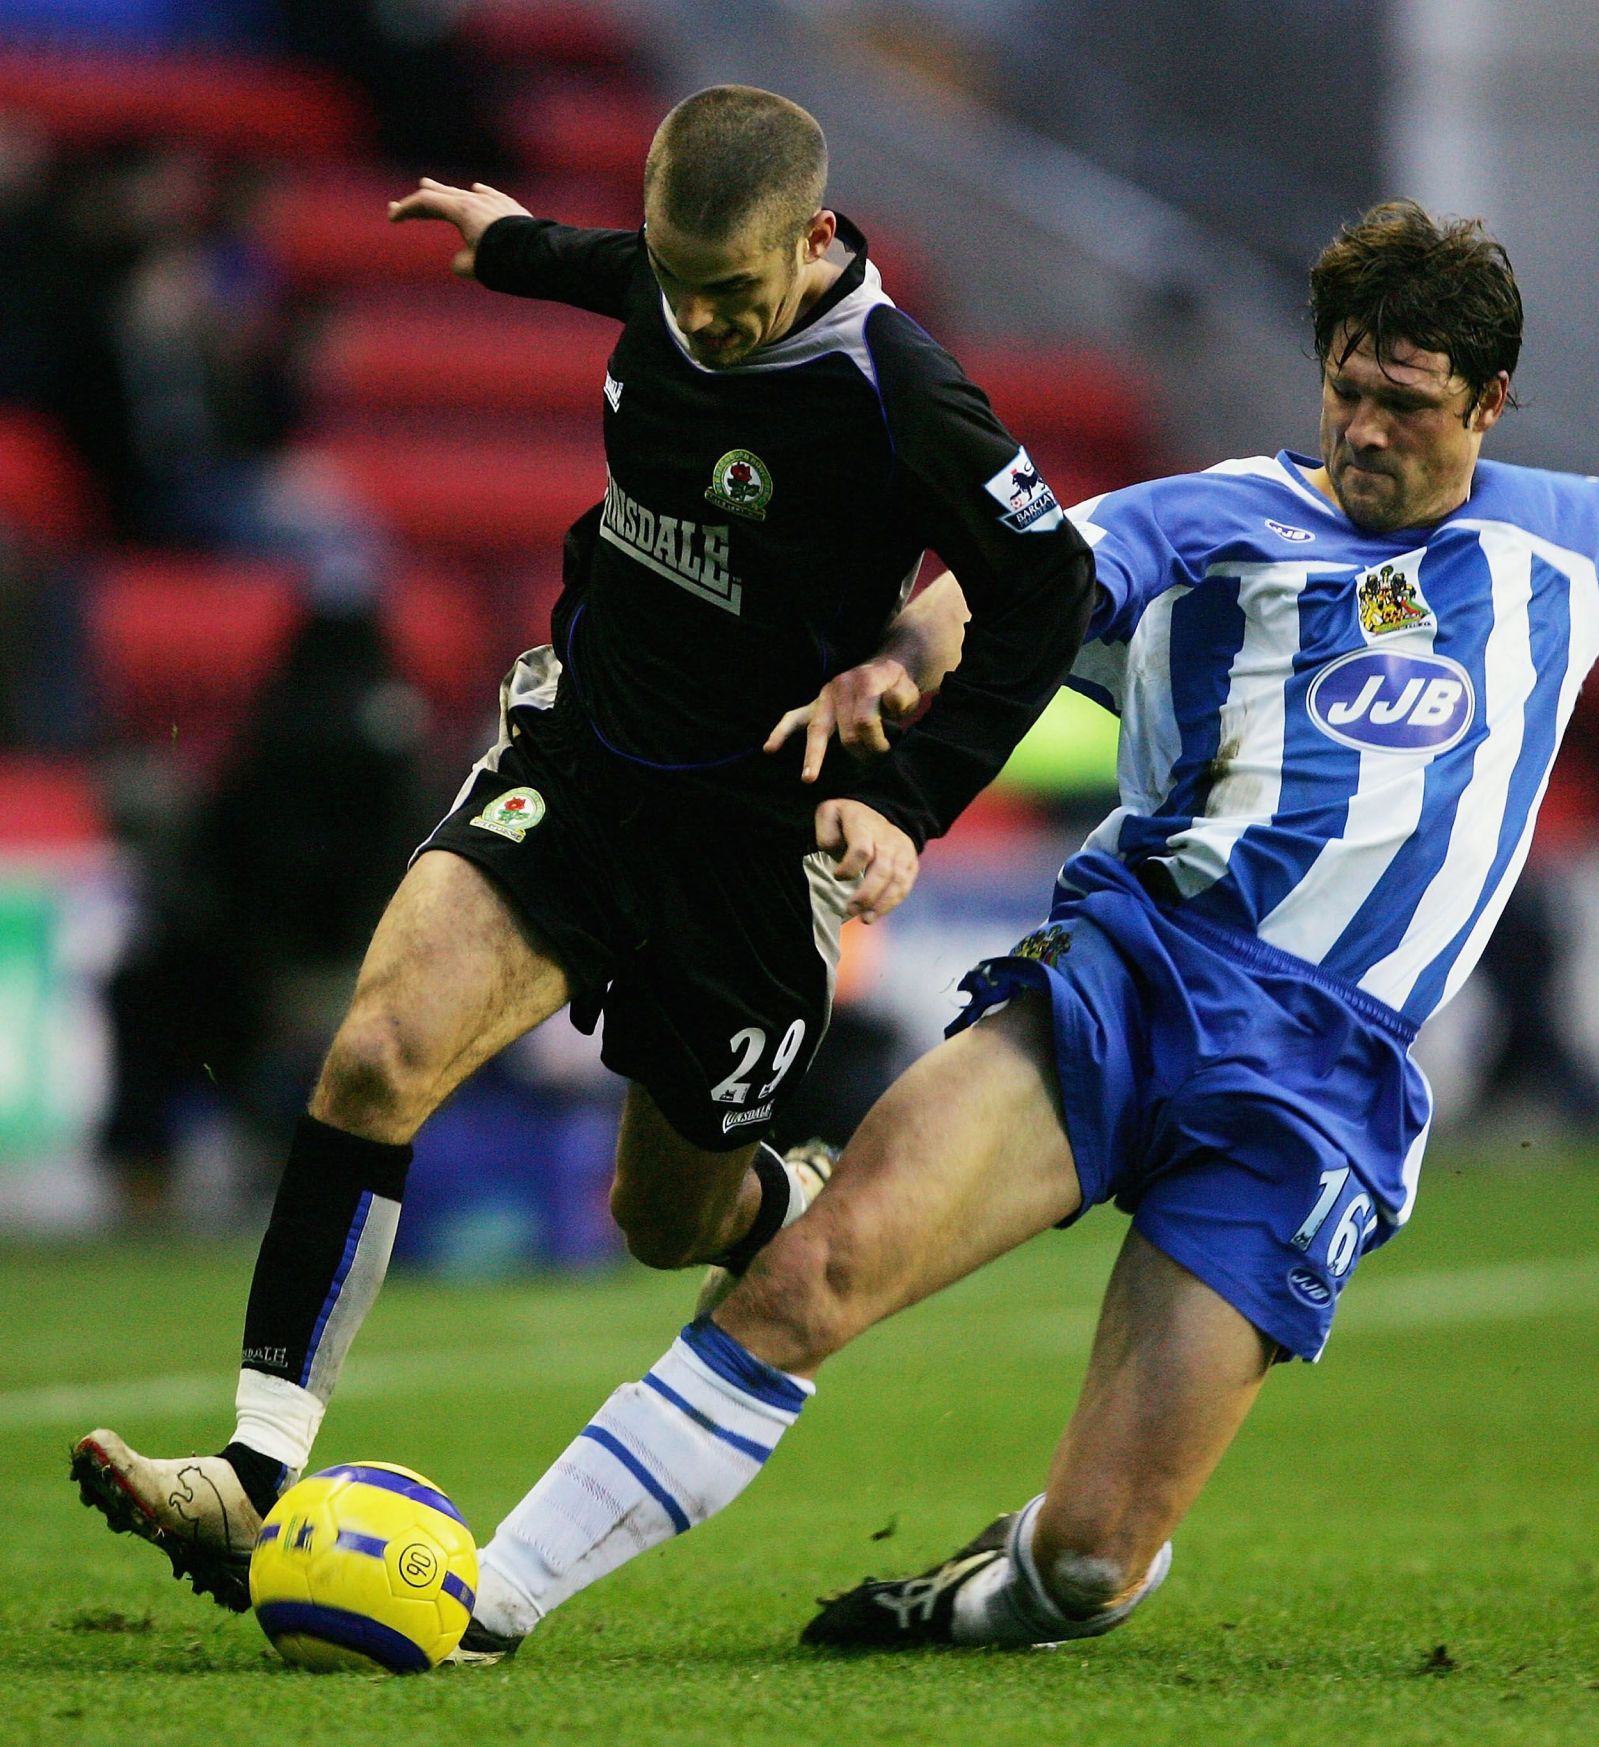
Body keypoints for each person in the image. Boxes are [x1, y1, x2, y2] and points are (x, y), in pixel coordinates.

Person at [440, 166, 1599, 1658]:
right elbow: (1017, 582)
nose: (1368, 429)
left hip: (1318, 1088)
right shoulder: (1228, 515)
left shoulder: (1572, 546)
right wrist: (901, 660)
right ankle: (485, 1598)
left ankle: (984, 1592)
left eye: (1408, 400)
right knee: (812, 1277)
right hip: (1135, 979)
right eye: (1349, 389)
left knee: (1090, 1562)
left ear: (1491, 403)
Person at [70, 84, 1094, 1609]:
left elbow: (1048, 590)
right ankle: (257, 1469)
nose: (707, 326)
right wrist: (511, 242)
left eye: (739, 298)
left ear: (815, 242)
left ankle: (783, 1199)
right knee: (376, 1054)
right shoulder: (683, 283)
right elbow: (622, 272)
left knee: (659, 1223)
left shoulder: (901, 389)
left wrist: (909, 794)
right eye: (683, 291)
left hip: (749, 850)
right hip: (580, 764)